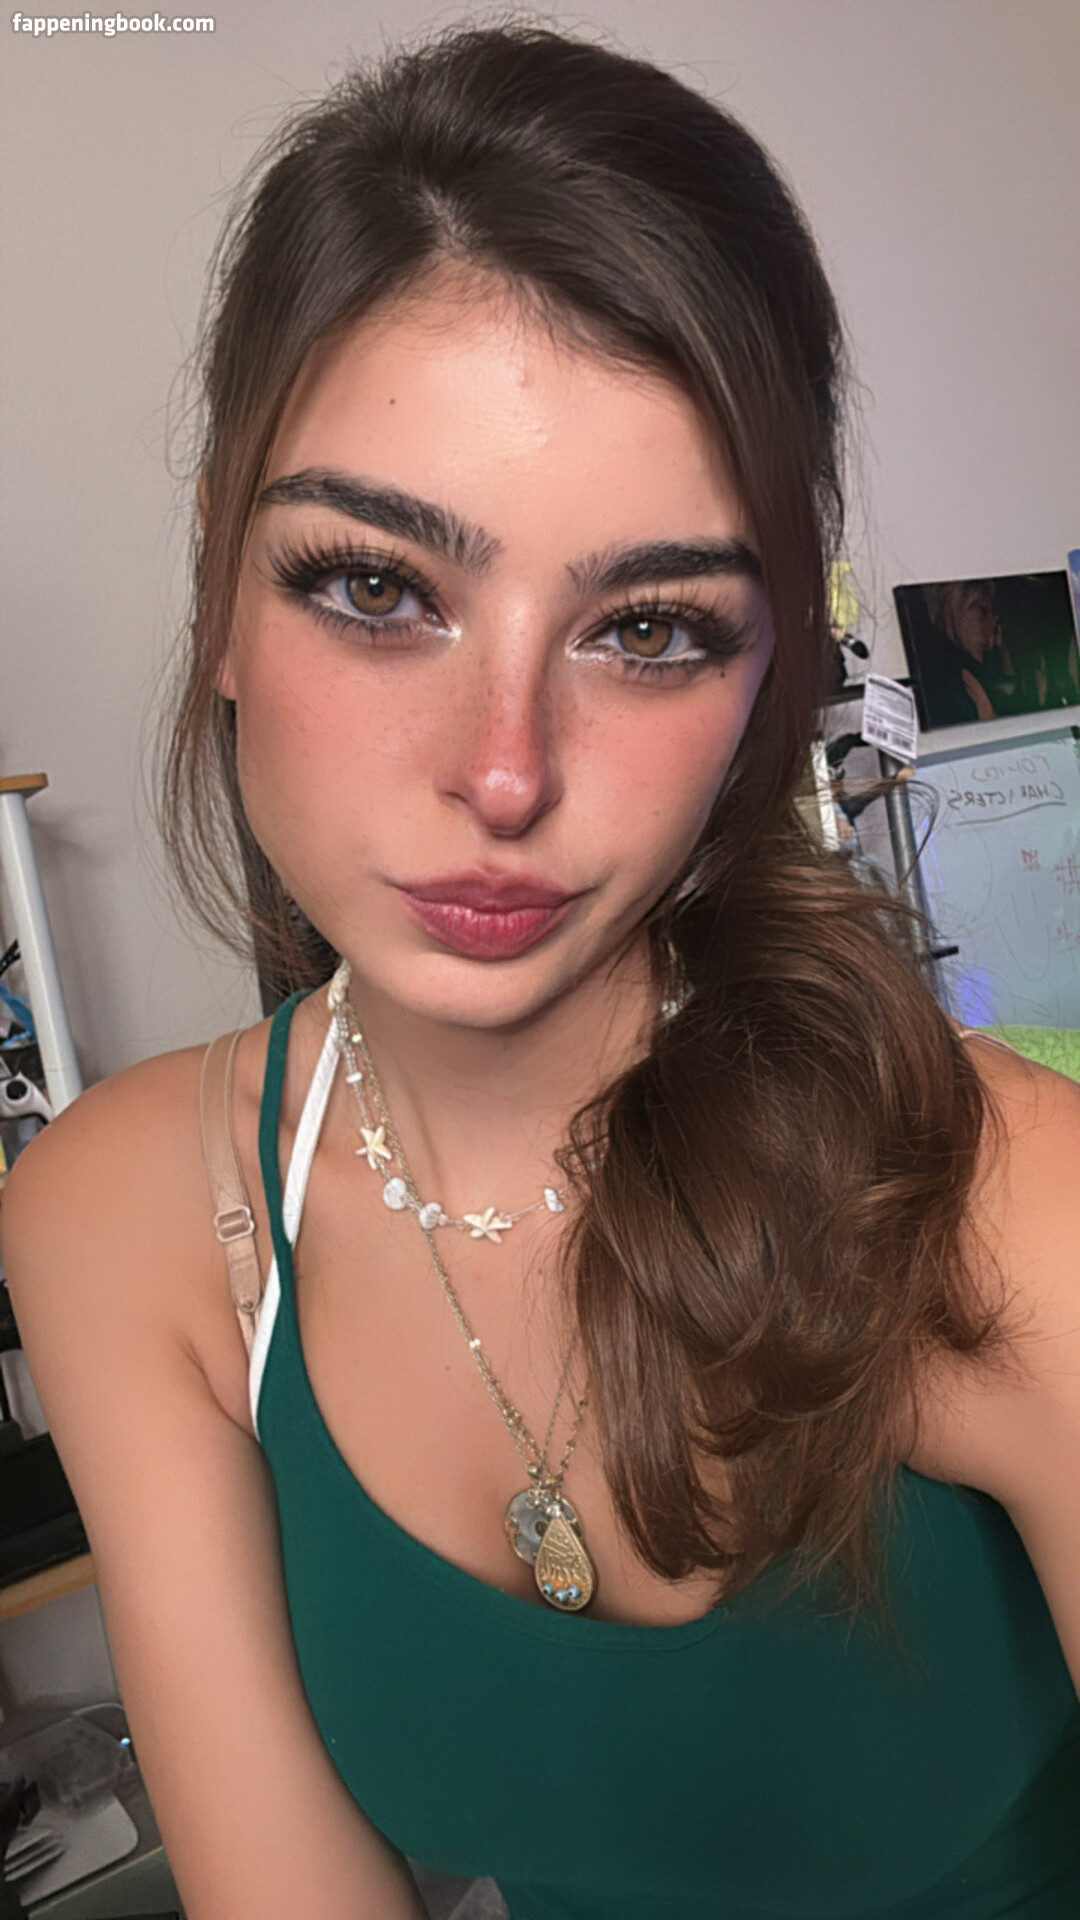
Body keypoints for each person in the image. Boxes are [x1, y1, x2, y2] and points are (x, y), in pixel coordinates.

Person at [3, 23, 1079, 1920]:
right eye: (377, 587)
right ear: (224, 598)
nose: (504, 772)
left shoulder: (993, 1206)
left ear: (762, 679)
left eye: (648, 627)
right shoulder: (127, 1224)